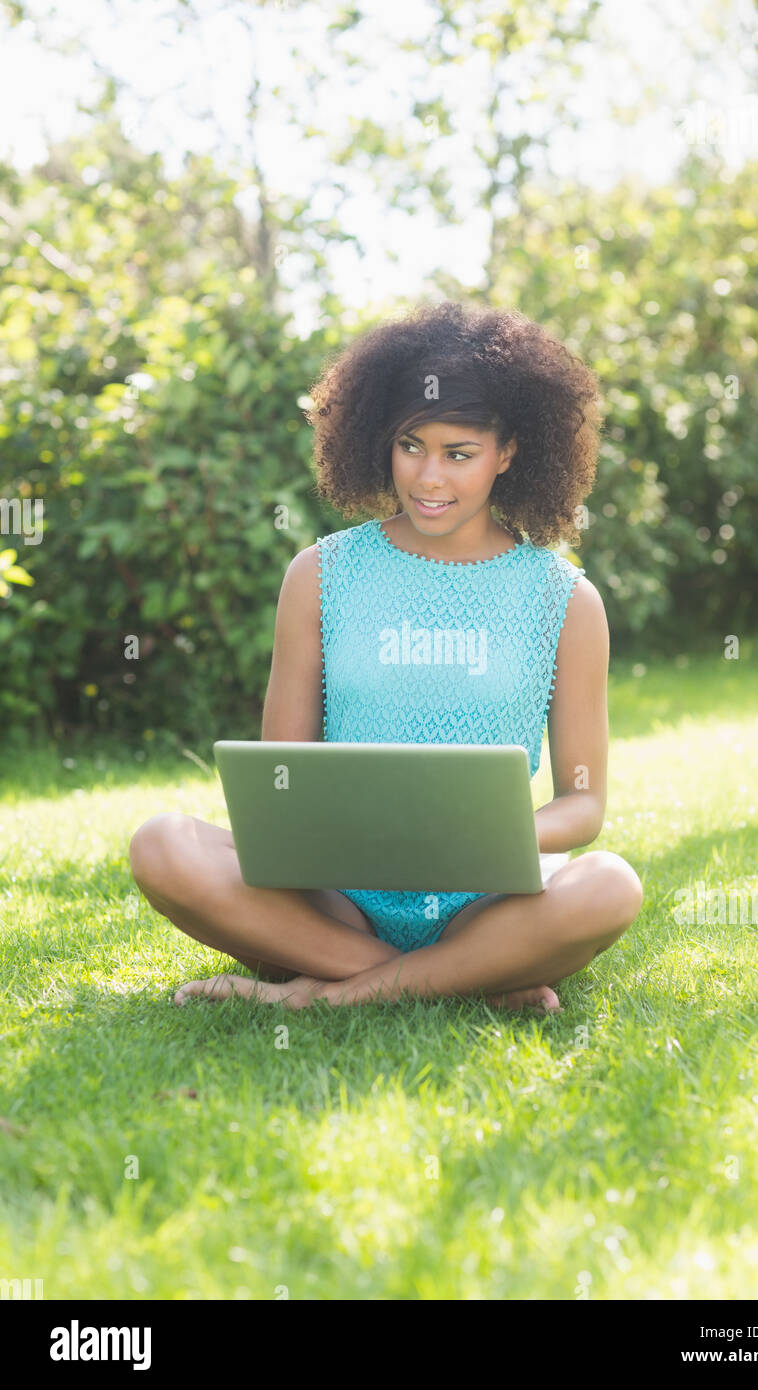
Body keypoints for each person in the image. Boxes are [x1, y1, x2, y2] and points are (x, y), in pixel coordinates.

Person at [128, 299, 642, 1014]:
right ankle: (469, 982)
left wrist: (476, 837)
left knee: (611, 885)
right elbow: (282, 776)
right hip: (336, 900)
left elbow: (583, 804)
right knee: (161, 845)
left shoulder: (566, 600)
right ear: (381, 439)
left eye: (459, 453)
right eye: (411, 446)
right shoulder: (320, 574)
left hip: (487, 897)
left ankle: (327, 996)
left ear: (510, 452)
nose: (429, 478)